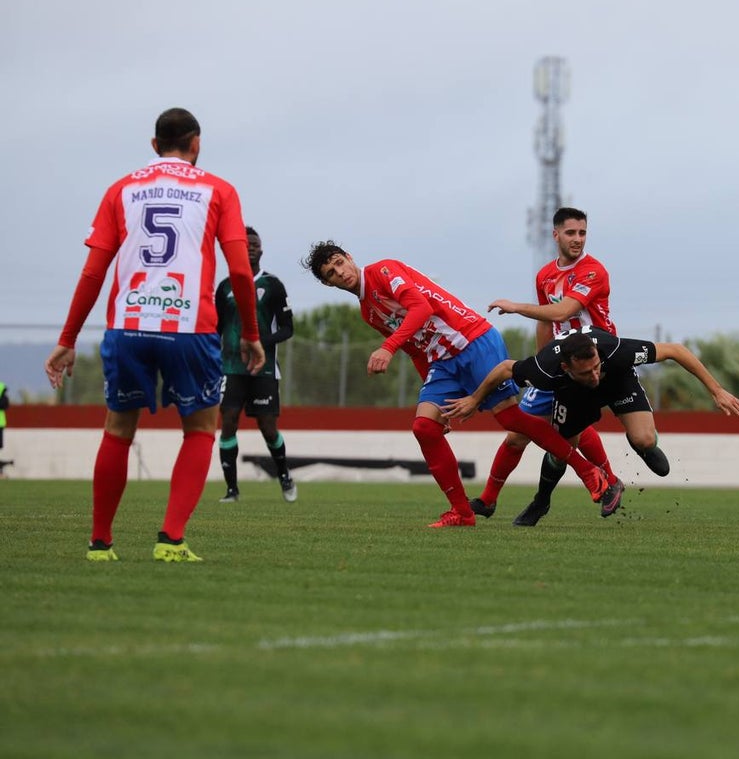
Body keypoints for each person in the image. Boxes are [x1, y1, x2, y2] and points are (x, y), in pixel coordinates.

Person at [44, 107, 266, 563]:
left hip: (128, 324)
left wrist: (68, 338)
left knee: (118, 428)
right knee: (202, 428)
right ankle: (170, 540)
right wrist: (249, 331)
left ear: (154, 145)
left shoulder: (121, 189)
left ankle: (101, 544)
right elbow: (241, 272)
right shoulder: (219, 190)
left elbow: (93, 271)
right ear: (196, 143)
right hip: (189, 326)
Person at [301, 240, 622, 527]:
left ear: (349, 257)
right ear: (329, 284)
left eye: (339, 263)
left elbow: (421, 308)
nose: (340, 273)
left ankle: (589, 473)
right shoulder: (367, 313)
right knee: (425, 428)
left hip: (472, 339)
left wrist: (387, 348)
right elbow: (417, 349)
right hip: (442, 361)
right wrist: (435, 398)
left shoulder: (383, 271)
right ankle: (462, 513)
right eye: (331, 273)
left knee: (511, 420)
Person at [443, 328, 739, 525]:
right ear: (565, 367)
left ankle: (643, 445)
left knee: (643, 438)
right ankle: (541, 502)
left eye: (595, 367)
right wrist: (473, 399)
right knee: (560, 448)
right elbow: (504, 369)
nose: (593, 374)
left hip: (618, 382)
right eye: (586, 371)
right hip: (574, 396)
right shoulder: (544, 370)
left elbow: (675, 350)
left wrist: (716, 390)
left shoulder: (616, 353)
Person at [471, 206, 622, 526]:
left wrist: (515, 307)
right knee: (517, 435)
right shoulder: (545, 275)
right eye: (571, 233)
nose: (578, 239)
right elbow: (546, 321)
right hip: (560, 362)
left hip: (590, 362)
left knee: (570, 436)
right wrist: (543, 363)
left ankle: (603, 482)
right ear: (556, 235)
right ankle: (487, 500)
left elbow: (560, 312)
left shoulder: (593, 270)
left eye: (582, 233)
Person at [216, 226, 297, 503]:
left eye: (255, 243)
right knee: (227, 420)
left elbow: (288, 329)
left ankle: (284, 473)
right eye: (245, 243)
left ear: (261, 250)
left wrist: (264, 341)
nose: (250, 247)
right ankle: (231, 490)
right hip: (231, 368)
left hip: (263, 368)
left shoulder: (272, 285)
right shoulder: (224, 287)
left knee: (267, 427)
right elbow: (217, 328)